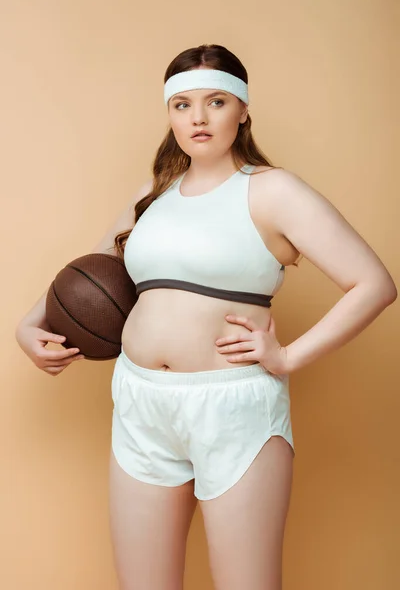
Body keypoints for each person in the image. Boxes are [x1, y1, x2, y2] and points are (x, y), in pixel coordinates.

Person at [15, 43, 397, 590]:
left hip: (234, 410)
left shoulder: (272, 191)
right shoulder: (153, 195)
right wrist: (30, 325)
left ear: (242, 111)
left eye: (215, 102)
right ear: (169, 114)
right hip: (141, 405)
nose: (197, 117)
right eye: (182, 105)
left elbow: (374, 284)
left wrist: (287, 357)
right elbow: (92, 272)